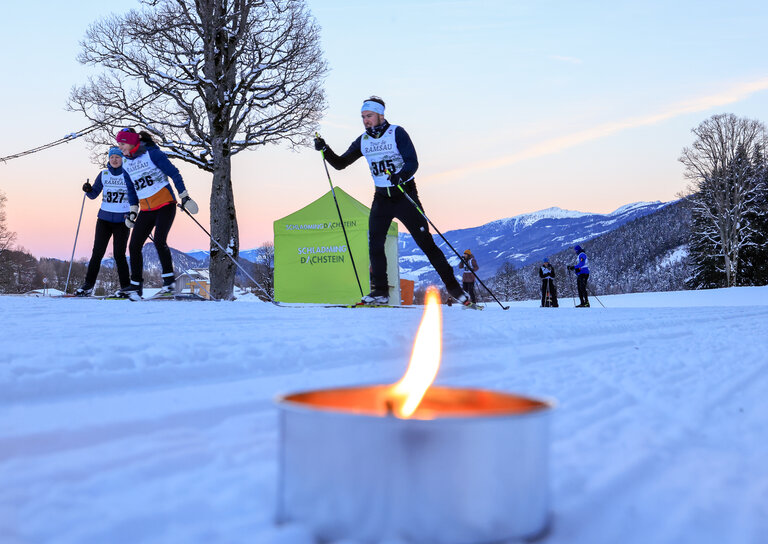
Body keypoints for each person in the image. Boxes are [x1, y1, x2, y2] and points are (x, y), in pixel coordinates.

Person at [313, 96, 469, 305]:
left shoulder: (397, 132)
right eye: (363, 117)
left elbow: (412, 162)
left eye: (369, 116)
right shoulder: (363, 141)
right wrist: (325, 149)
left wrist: (401, 175)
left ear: (380, 115)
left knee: (426, 243)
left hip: (404, 194)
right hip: (381, 198)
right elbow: (340, 164)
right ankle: (380, 291)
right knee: (375, 244)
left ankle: (454, 288)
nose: (366, 120)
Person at [114, 128, 198, 299]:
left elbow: (174, 173)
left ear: (131, 142)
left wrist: (184, 196)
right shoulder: (126, 164)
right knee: (134, 245)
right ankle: (135, 287)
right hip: (146, 209)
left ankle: (169, 283)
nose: (120, 148)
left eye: (122, 144)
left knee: (159, 240)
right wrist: (133, 211)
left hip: (165, 204)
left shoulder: (152, 154)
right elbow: (131, 189)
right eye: (119, 145)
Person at [75, 147, 139, 296]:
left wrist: (132, 214)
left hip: (122, 220)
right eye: (112, 157)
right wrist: (88, 189)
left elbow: (134, 197)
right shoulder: (103, 174)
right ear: (109, 159)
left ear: (122, 159)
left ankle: (126, 287)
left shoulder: (128, 175)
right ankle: (88, 285)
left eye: (117, 157)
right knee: (97, 253)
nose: (114, 160)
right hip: (104, 219)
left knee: (119, 255)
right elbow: (93, 195)